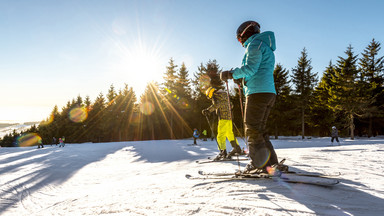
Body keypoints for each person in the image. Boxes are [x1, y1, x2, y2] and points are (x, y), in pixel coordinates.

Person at [220, 20, 281, 174]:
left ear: (244, 34)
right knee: (259, 130)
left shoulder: (255, 45)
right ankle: (271, 163)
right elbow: (258, 69)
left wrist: (231, 73)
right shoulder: (264, 45)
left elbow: (251, 68)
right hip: (267, 92)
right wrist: (241, 78)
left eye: (239, 39)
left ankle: (258, 164)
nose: (240, 42)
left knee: (252, 130)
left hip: (257, 93)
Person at [202, 87, 242, 160]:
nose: (210, 98)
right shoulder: (225, 96)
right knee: (229, 133)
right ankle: (237, 148)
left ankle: (222, 152)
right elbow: (231, 105)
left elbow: (216, 105)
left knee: (220, 136)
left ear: (210, 93)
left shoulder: (216, 97)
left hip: (223, 118)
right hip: (229, 118)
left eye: (209, 96)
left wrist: (208, 110)